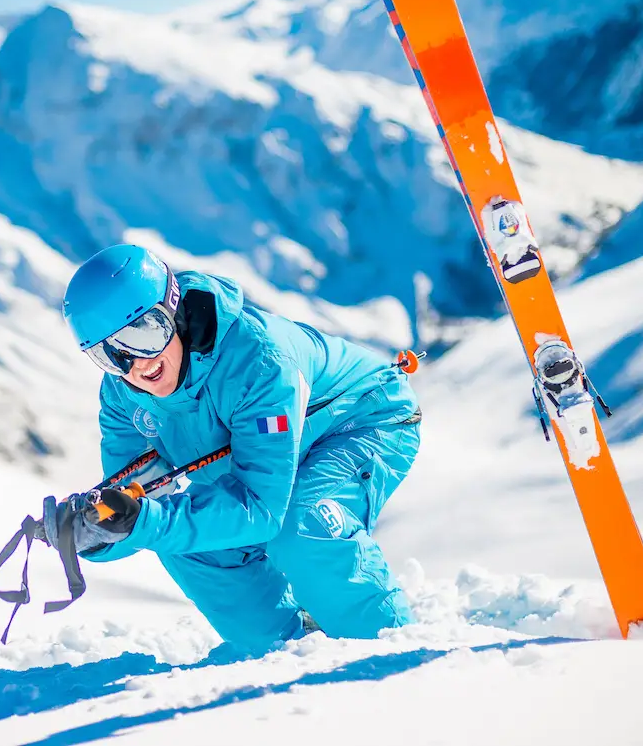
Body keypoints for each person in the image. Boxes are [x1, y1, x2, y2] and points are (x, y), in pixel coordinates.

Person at [58, 243, 422, 652]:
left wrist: (141, 520)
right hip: (264, 462)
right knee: (181, 538)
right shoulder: (121, 396)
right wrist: (96, 532)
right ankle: (292, 654)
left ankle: (393, 652)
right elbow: (139, 502)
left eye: (145, 333)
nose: (138, 364)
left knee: (301, 527)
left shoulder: (258, 360)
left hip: (358, 420)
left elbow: (262, 509)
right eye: (111, 355)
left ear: (173, 310)